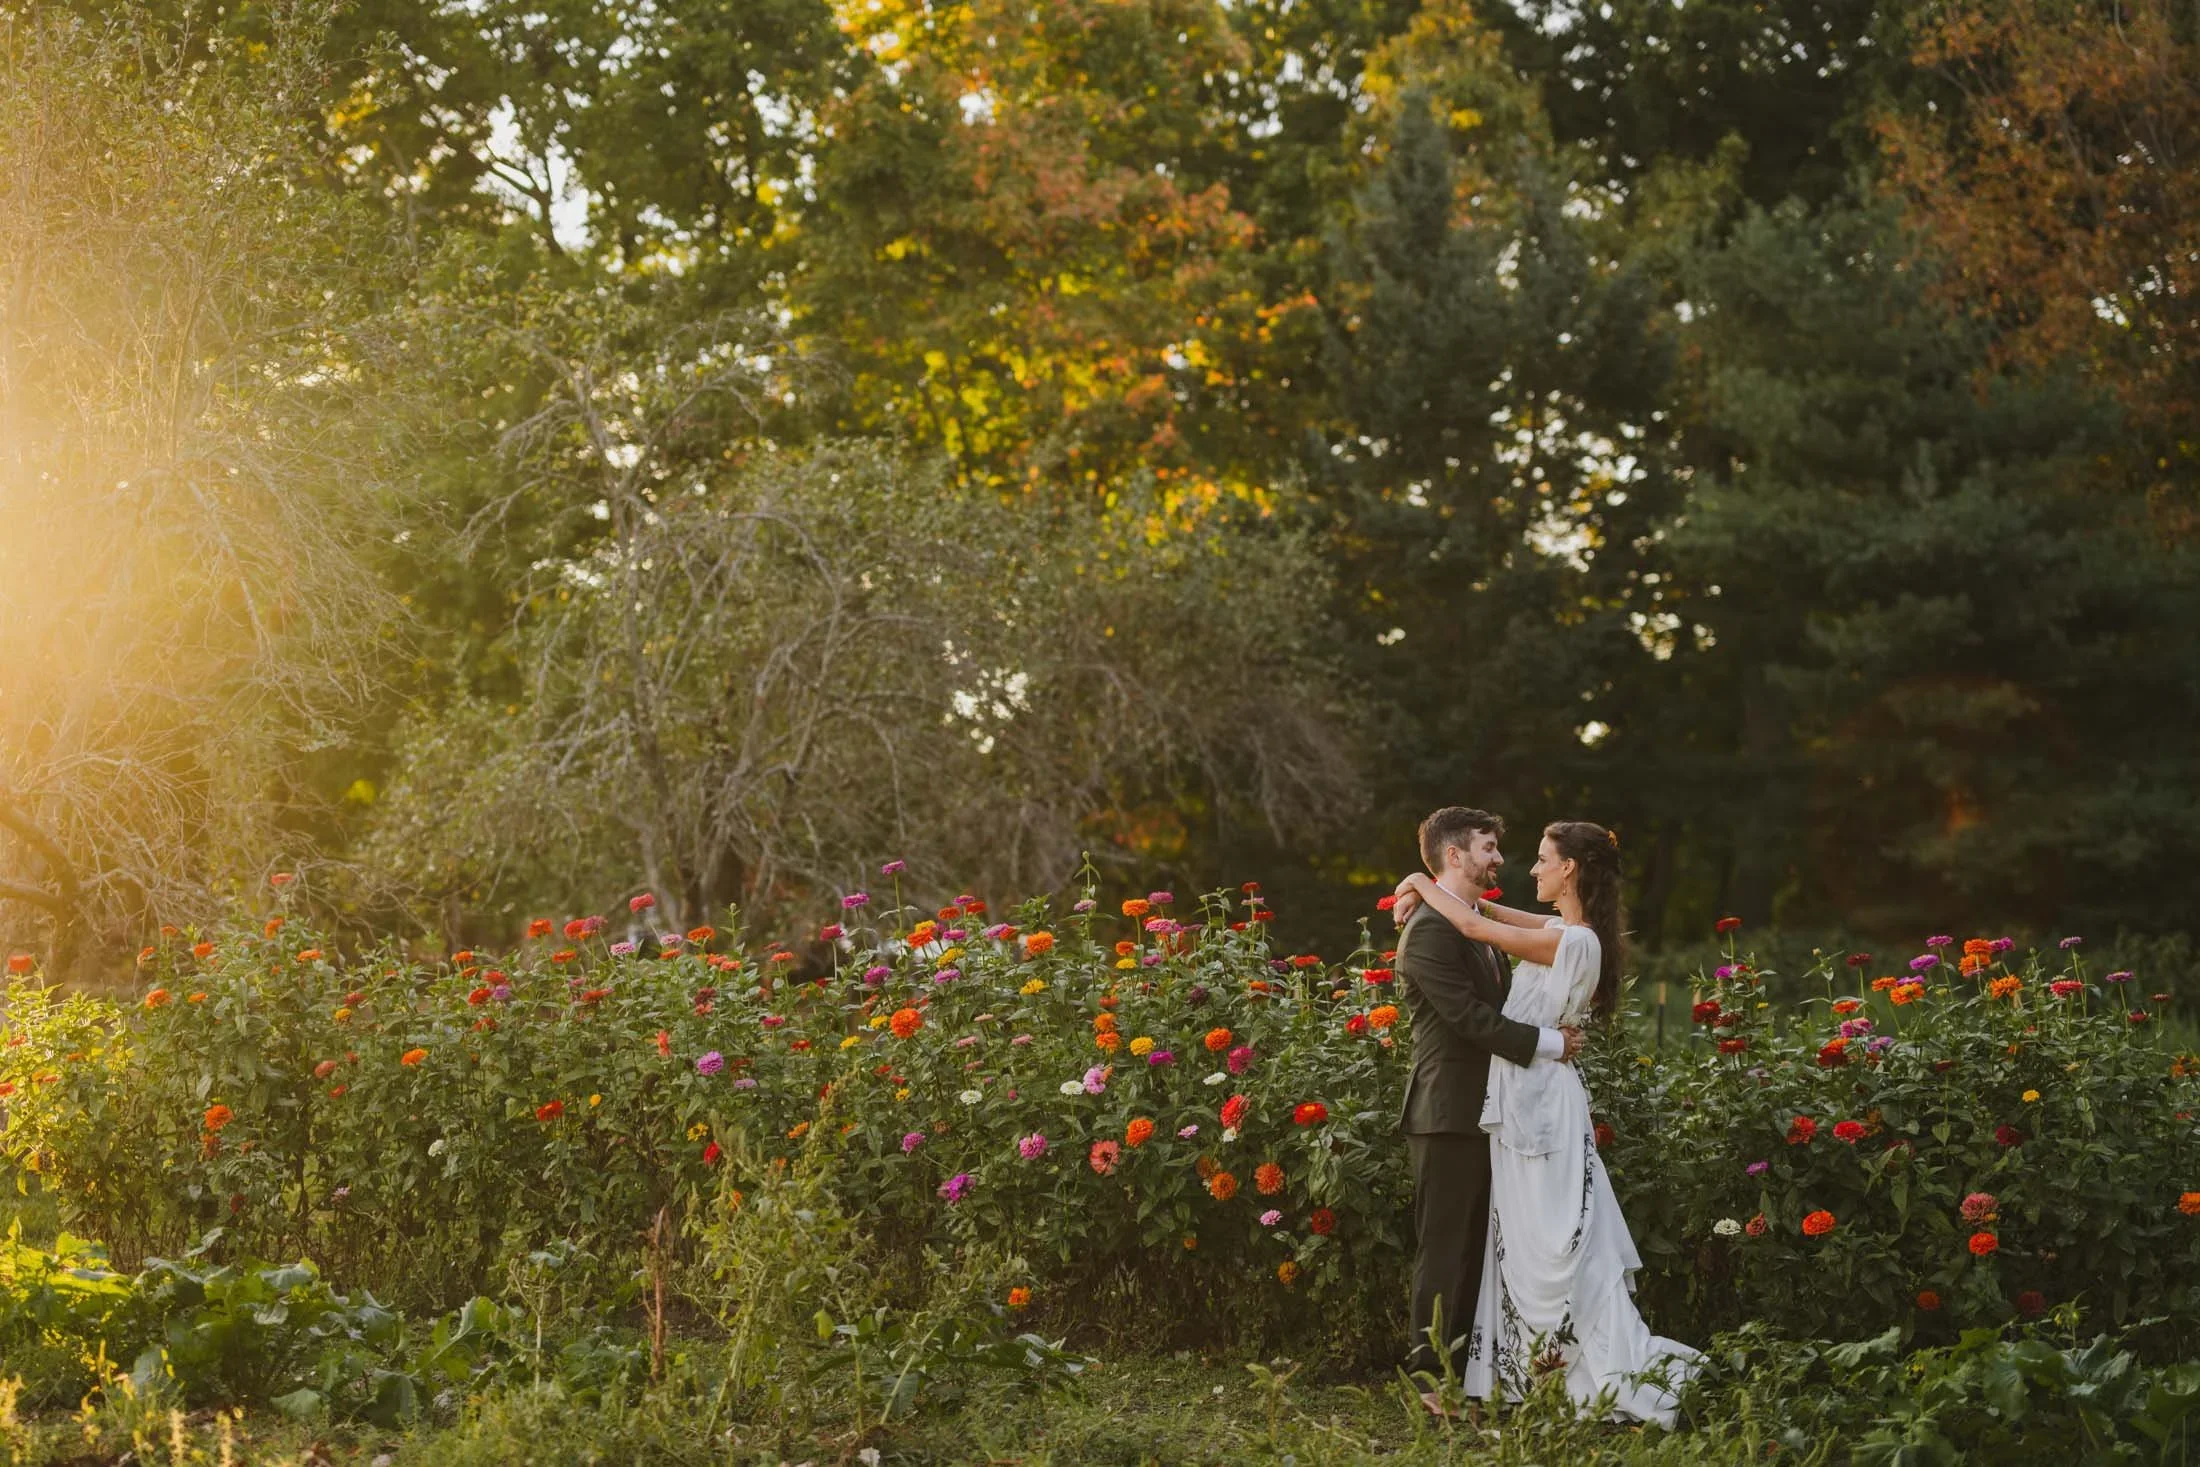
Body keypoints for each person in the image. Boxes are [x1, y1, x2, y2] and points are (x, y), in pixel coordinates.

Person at [1392, 818, 1700, 1426]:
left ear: (1570, 870)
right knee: (1491, 1244)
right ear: (1456, 854)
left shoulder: (1573, 938)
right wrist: (1421, 884)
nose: (1519, 863)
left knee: (1544, 1240)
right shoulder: (1557, 927)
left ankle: (1544, 1370)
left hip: (1533, 1102)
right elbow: (1485, 919)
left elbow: (1480, 923)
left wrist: (1418, 883)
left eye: (1538, 857)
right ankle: (1467, 1376)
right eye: (1494, 849)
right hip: (1482, 1104)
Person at [1393, 807, 1583, 1417]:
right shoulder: (1428, 930)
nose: (1500, 858)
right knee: (1446, 1246)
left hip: (1492, 1108)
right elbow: (1468, 1021)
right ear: (1455, 854)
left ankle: (1468, 1377)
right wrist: (1551, 1046)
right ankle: (1430, 1380)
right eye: (1489, 847)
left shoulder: (1469, 919)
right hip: (1446, 1110)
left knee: (1479, 1246)